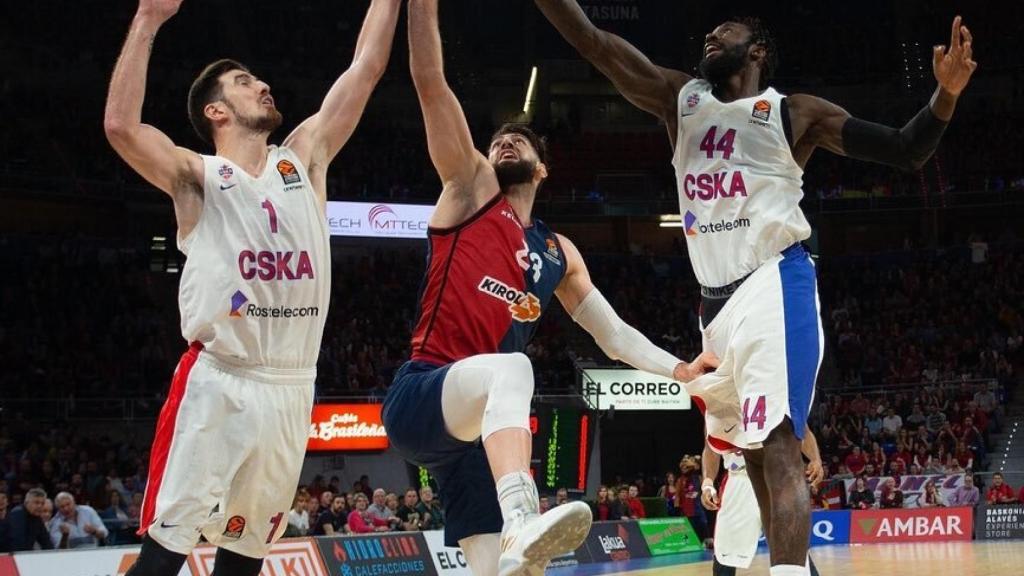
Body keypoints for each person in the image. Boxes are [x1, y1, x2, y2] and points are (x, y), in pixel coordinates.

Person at [535, 3, 976, 574]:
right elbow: (593, 42)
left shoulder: (793, 113)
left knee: (777, 443)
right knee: (752, 452)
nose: (712, 36)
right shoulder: (680, 99)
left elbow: (904, 148)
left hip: (774, 279)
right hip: (712, 303)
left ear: (758, 50)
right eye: (710, 32)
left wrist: (945, 95)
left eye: (727, 31)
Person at [382, 2, 716, 575]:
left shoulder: (558, 252)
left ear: (543, 170)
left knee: (514, 569)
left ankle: (515, 538)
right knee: (513, 369)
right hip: (423, 394)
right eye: (498, 142)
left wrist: (678, 369)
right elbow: (429, 79)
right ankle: (520, 514)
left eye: (520, 142)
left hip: (471, 440)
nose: (505, 145)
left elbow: (613, 335)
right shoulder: (469, 191)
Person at [104, 0, 401, 572]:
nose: (262, 85)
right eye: (245, 82)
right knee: (164, 556)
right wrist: (147, 18)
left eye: (259, 78)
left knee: (243, 559)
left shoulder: (305, 158)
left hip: (292, 388)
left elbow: (365, 67)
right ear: (216, 110)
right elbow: (120, 127)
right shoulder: (197, 177)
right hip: (221, 382)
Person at [701, 427, 823, 576]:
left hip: (778, 475)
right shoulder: (719, 405)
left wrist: (815, 459)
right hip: (740, 477)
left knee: (793, 549)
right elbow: (711, 446)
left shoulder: (783, 403)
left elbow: (802, 429)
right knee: (725, 553)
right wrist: (707, 482)